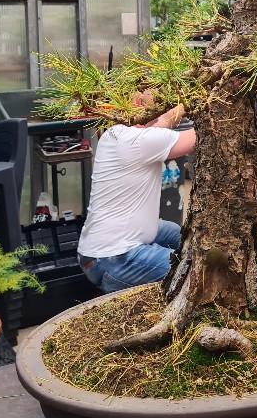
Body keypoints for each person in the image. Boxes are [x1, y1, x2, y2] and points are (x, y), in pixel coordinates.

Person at [77, 97, 196, 293]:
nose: (161, 100)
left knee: (175, 233)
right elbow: (197, 137)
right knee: (192, 270)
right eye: (155, 98)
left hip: (95, 249)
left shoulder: (115, 133)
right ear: (140, 105)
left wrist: (187, 100)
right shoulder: (140, 140)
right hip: (112, 258)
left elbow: (164, 120)